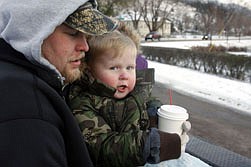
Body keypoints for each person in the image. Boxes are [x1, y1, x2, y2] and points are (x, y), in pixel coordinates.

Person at [0, 0, 117, 166]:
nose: (85, 46)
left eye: (86, 35)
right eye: (72, 33)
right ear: (33, 32)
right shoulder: (26, 110)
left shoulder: (19, 80)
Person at [68, 30, 190, 167]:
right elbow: (101, 148)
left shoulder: (135, 93)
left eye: (130, 67)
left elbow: (148, 101)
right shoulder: (83, 102)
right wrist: (150, 144)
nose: (124, 75)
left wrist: (156, 115)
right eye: (114, 68)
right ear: (89, 71)